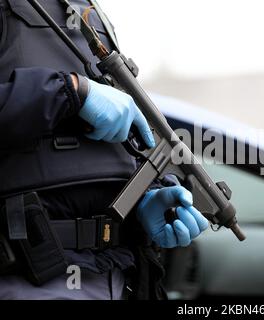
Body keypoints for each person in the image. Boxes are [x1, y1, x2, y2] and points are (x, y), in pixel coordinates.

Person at [0, 0, 208, 300]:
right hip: (28, 277)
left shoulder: (86, 8)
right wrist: (71, 91)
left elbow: (114, 139)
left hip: (120, 275)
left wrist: (145, 200)